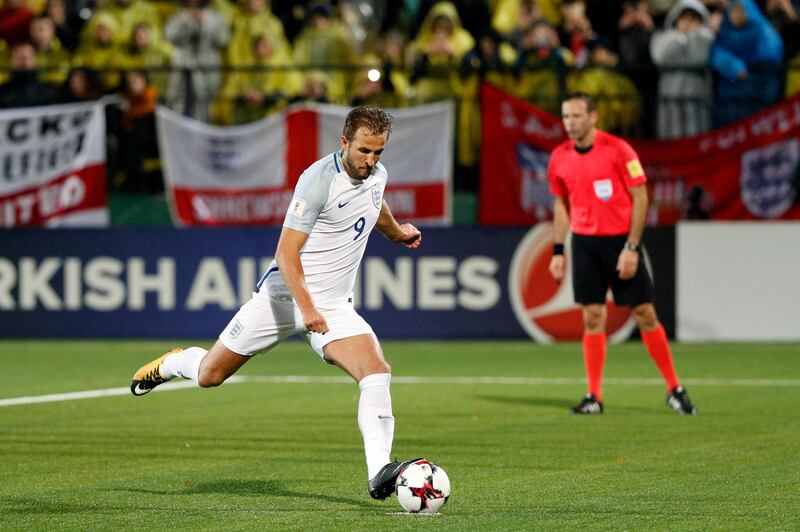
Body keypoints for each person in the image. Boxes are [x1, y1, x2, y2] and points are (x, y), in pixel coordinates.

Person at [130, 107, 424, 500]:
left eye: (378, 152)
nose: (370, 161)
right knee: (209, 376)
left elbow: (375, 202)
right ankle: (172, 363)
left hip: (333, 306)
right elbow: (287, 254)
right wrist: (306, 308)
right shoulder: (317, 180)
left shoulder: (376, 175)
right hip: (282, 299)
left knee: (375, 371)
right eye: (363, 151)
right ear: (344, 143)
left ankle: (379, 472)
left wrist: (396, 233)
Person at [546, 93, 697, 416]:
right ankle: (594, 397)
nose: (569, 123)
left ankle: (674, 388)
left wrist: (631, 246)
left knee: (644, 313)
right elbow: (561, 205)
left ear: (593, 117)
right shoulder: (559, 156)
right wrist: (558, 249)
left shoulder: (618, 150)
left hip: (619, 241)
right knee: (593, 317)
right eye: (565, 117)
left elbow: (640, 197)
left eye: (575, 116)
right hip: (584, 243)